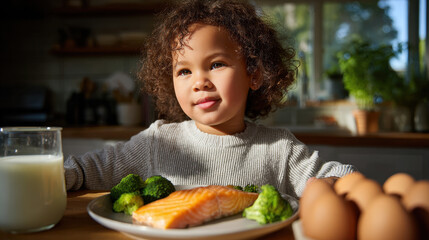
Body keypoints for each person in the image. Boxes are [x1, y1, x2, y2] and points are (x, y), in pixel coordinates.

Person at [64, 0, 356, 198]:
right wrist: (51, 176)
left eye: (216, 64)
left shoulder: (280, 150)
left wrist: (341, 187)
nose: (199, 82)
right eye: (184, 71)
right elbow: (85, 170)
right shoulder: (156, 143)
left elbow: (339, 176)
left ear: (254, 74)